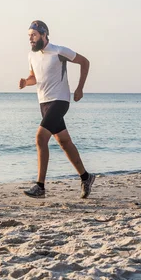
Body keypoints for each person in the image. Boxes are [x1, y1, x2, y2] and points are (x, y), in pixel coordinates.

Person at [19, 20, 96, 198]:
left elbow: (85, 62)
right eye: (29, 35)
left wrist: (79, 88)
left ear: (44, 35)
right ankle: (86, 177)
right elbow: (34, 77)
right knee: (64, 142)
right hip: (44, 103)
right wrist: (26, 82)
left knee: (40, 138)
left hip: (60, 101)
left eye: (34, 35)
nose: (31, 38)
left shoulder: (59, 51)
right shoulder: (32, 55)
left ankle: (40, 186)